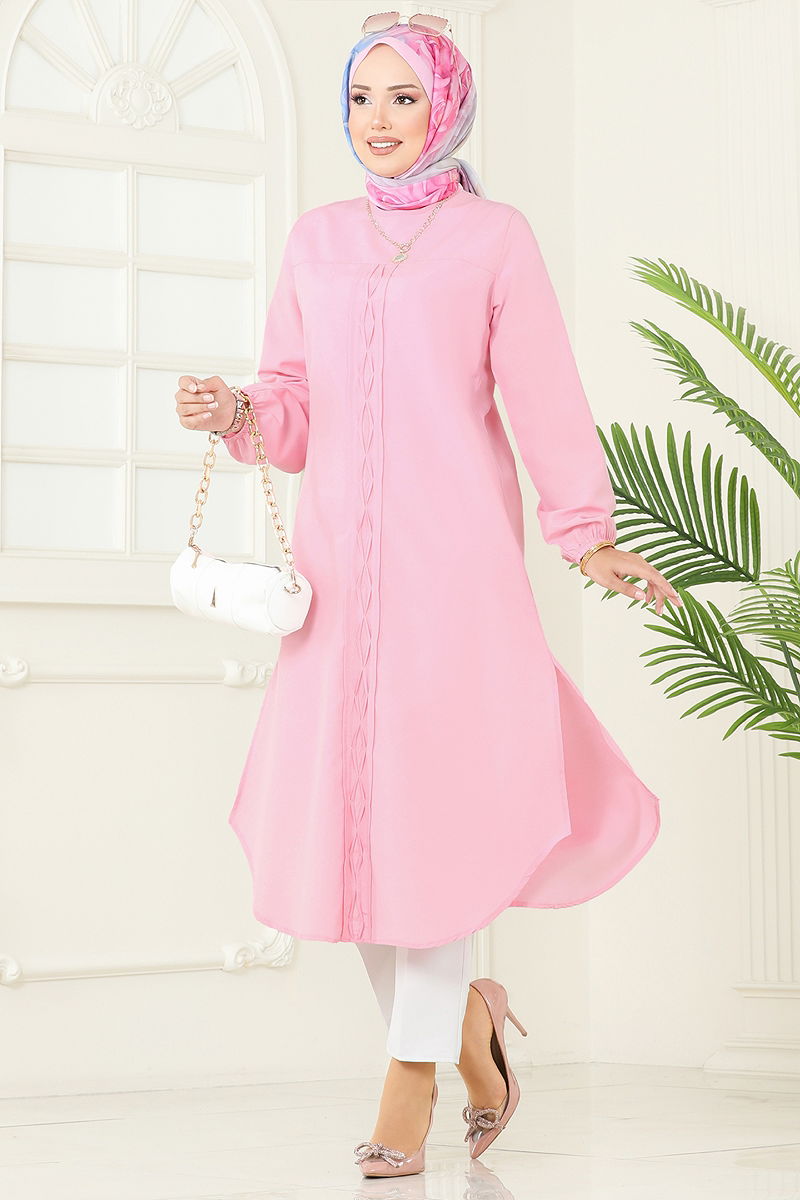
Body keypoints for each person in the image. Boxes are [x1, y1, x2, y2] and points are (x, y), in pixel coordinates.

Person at [174, 12, 679, 1179]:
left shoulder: (493, 238)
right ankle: (468, 1033)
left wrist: (584, 535)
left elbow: (543, 393)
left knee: (434, 826)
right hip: (337, 587)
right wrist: (237, 411)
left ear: (445, 108)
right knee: (350, 843)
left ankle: (407, 1080)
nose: (379, 120)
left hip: (454, 576)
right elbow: (292, 406)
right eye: (362, 98)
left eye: (404, 98)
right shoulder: (316, 241)